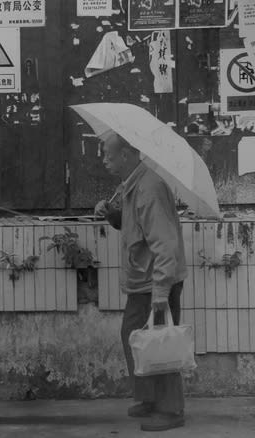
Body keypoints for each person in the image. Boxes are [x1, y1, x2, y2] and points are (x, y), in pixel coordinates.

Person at [94, 129, 187, 432]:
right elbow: (138, 230)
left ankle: (170, 410)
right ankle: (149, 399)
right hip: (143, 281)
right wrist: (112, 215)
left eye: (108, 154)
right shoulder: (133, 186)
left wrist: (162, 290)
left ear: (126, 154)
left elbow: (165, 243)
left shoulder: (149, 188)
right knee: (136, 340)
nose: (104, 160)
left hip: (155, 283)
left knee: (160, 343)